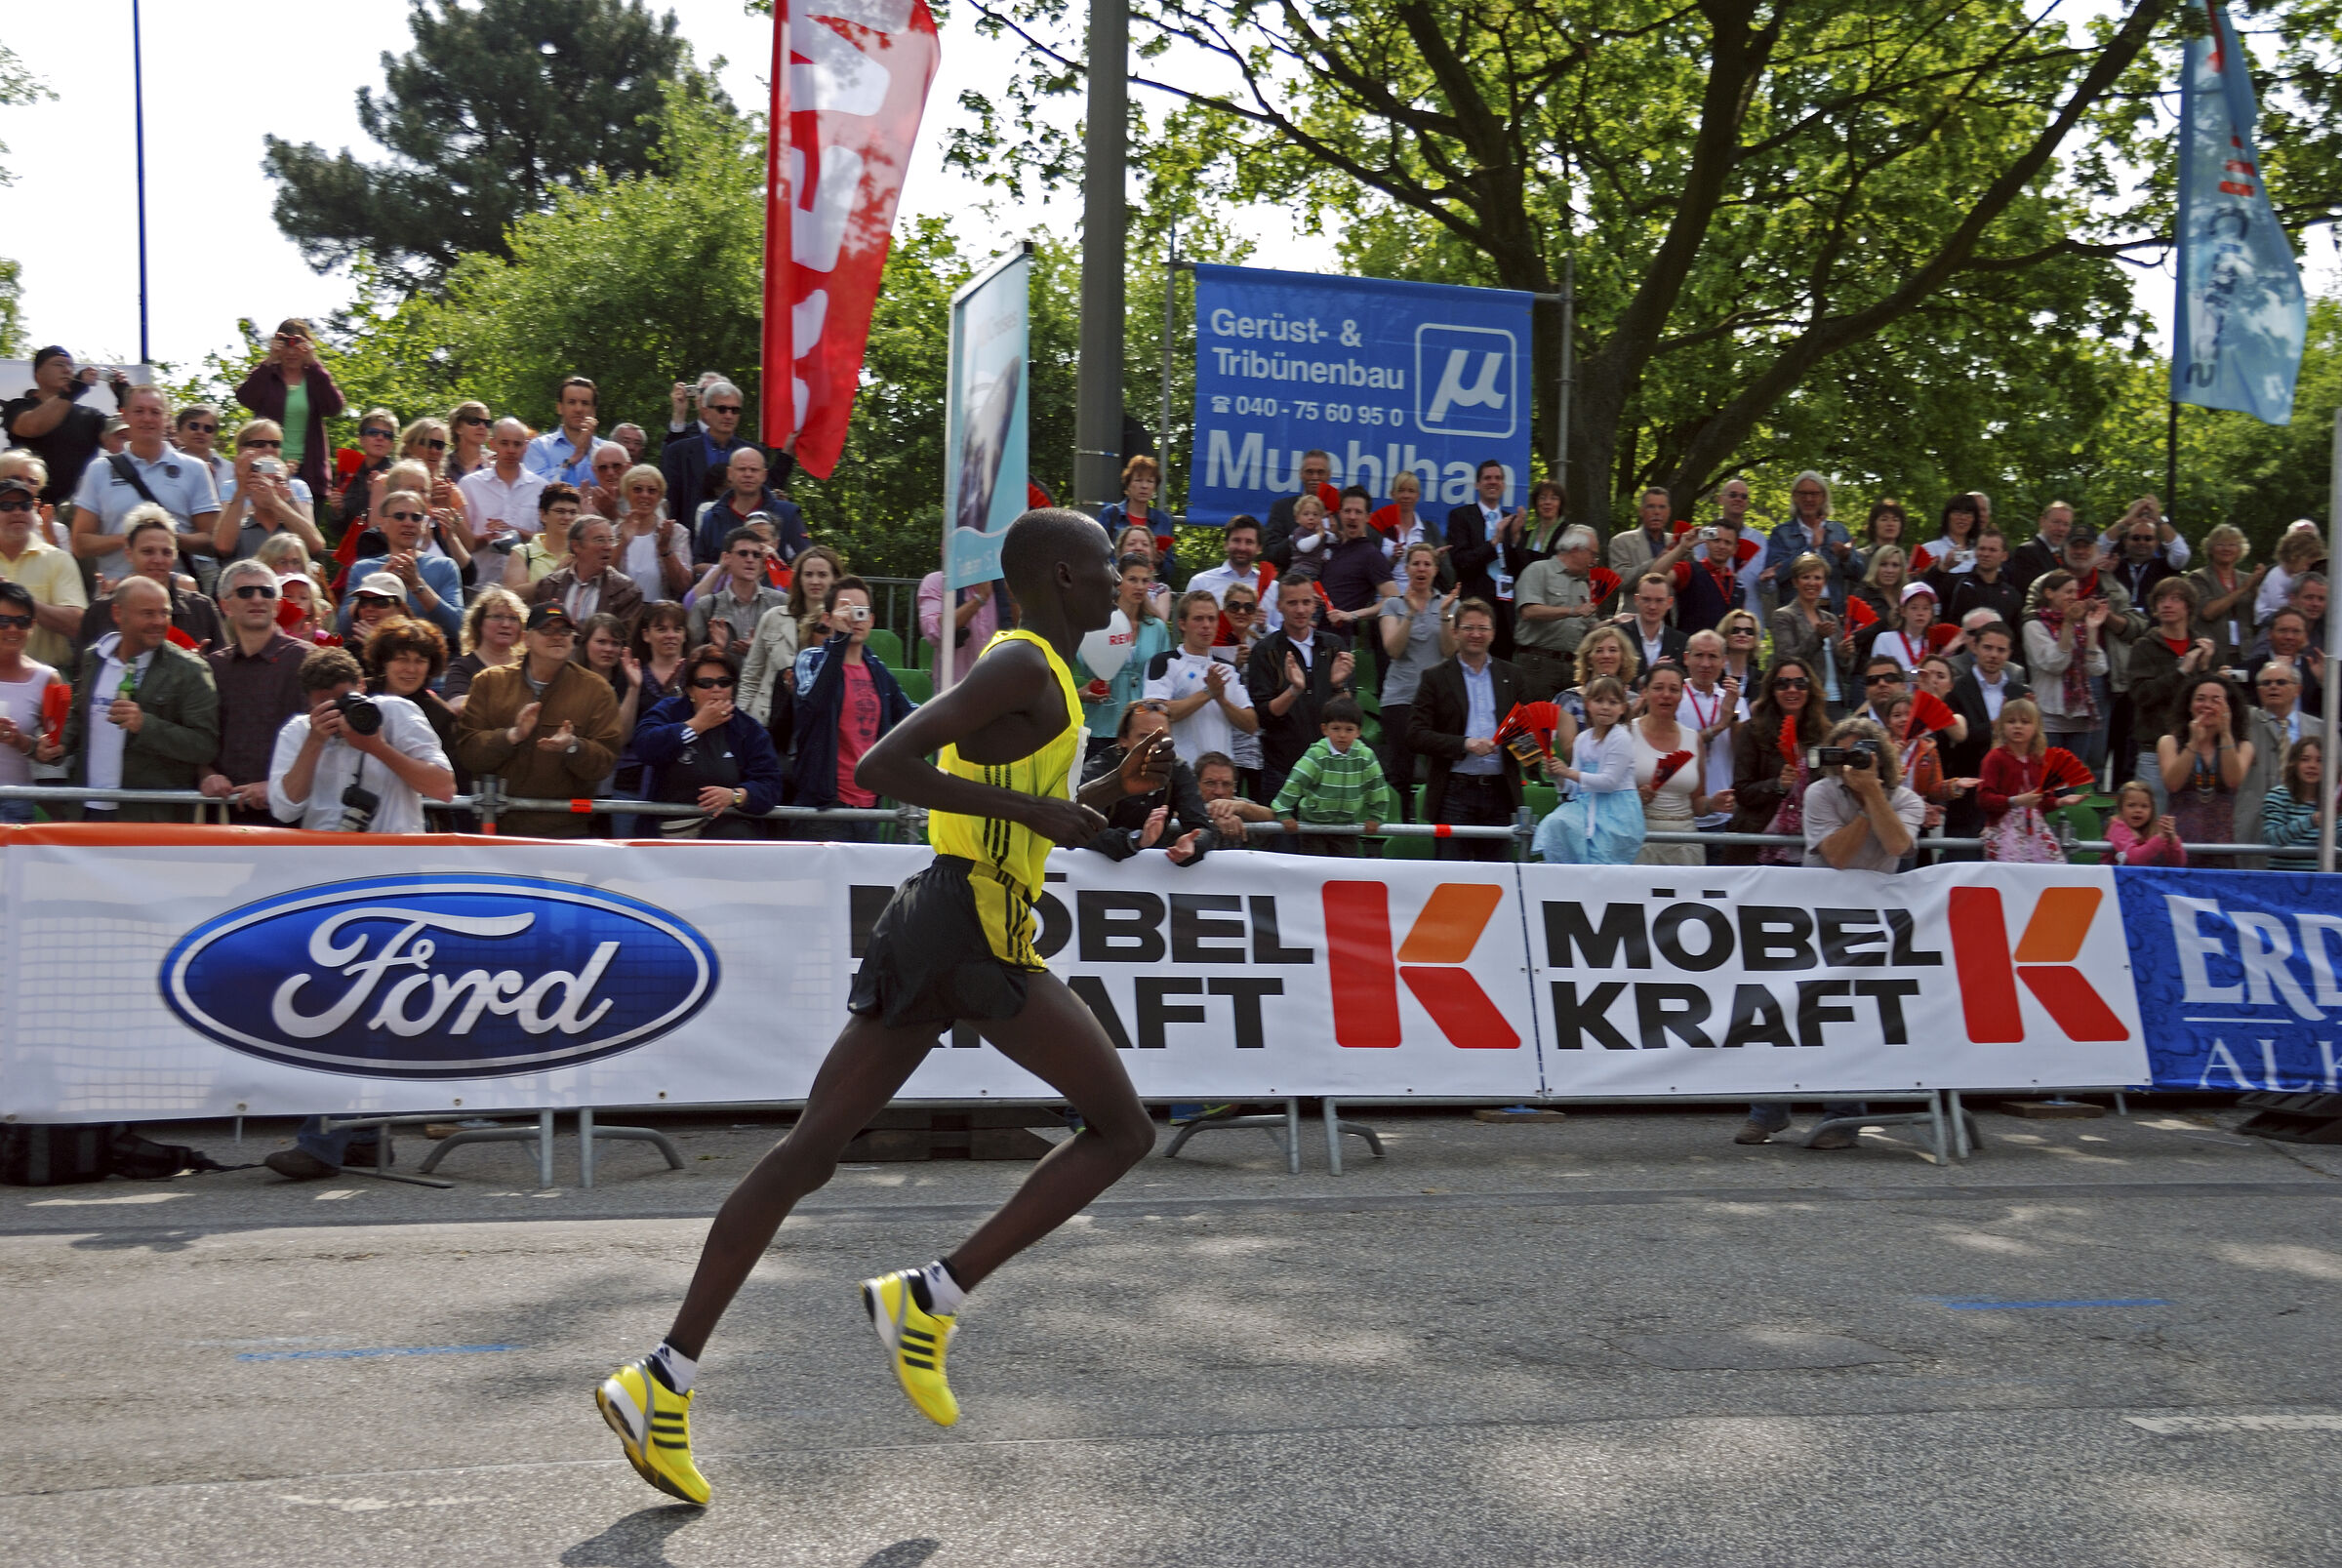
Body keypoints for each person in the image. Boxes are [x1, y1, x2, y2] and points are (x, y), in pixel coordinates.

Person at [598, 511, 1175, 1506]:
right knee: (1122, 1130)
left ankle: (663, 1375)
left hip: (949, 918)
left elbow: (1016, 797)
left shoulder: (1039, 670)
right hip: (968, 924)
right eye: (1108, 568)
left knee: (810, 1151)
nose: (1124, 584)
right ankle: (928, 1297)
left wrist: (1109, 787)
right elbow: (884, 768)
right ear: (1063, 575)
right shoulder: (1022, 663)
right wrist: (1035, 811)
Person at [1733, 714, 1913, 1149]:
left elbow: (1898, 845)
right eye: (1843, 755)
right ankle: (1768, 1112)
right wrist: (1866, 805)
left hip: (1871, 927)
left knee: (1849, 1021)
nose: (1850, 765)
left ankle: (1843, 1120)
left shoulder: (1907, 799)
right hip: (1812, 920)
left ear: (1879, 758)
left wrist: (1872, 793)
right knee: (1785, 1013)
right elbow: (1837, 855)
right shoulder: (1819, 792)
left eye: (1860, 755)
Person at [451, 603, 625, 837]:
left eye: (564, 631)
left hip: (566, 831)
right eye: (546, 630)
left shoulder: (597, 690)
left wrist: (573, 746)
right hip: (496, 827)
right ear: (526, 639)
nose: (557, 637)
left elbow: (605, 761)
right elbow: (468, 752)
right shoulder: (489, 682)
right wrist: (512, 736)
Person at [61, 577, 220, 822]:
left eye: (164, 613)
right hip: (86, 810)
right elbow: (80, 717)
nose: (159, 622)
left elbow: (205, 747)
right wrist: (54, 746)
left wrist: (145, 725)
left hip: (149, 818)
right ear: (118, 613)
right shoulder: (94, 657)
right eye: (148, 613)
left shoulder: (190, 670)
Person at [787, 577, 919, 839]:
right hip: (825, 809)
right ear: (827, 618)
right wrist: (838, 642)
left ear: (871, 620)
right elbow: (811, 704)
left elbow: (910, 714)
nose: (855, 618)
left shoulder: (876, 668)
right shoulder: (810, 658)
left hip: (869, 808)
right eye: (847, 610)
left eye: (862, 611)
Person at [196, 560, 312, 824]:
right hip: (224, 815)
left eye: (266, 592)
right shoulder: (212, 667)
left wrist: (277, 786)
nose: (257, 599)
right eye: (246, 592)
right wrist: (206, 774)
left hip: (292, 818)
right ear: (225, 605)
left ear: (278, 605)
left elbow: (330, 739)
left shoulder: (308, 660)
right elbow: (196, 736)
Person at [67, 385, 221, 582]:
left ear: (167, 418)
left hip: (175, 590)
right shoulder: (100, 469)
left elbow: (211, 542)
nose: (147, 418)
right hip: (116, 588)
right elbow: (80, 544)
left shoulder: (195, 469)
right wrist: (131, 538)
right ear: (124, 416)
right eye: (139, 411)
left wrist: (165, 538)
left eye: (155, 412)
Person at [1407, 598, 1521, 862]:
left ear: (1493, 633)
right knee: (1451, 876)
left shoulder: (1512, 675)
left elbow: (1524, 730)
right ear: (1455, 632)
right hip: (1453, 792)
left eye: (1483, 628)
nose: (1476, 634)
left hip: (1500, 793)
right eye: (1469, 628)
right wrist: (1464, 744)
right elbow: (1415, 735)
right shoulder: (1435, 677)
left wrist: (1531, 747)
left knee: (1497, 877)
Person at [632, 644, 787, 838]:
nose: (716, 689)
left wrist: (736, 796)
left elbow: (770, 785)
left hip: (725, 830)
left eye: (724, 682)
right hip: (668, 831)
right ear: (690, 690)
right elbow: (645, 747)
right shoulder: (669, 711)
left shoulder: (748, 729)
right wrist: (696, 725)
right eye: (706, 683)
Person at [1245, 574, 1353, 802]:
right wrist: (1293, 690)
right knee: (1280, 826)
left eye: (1306, 602)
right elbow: (1263, 715)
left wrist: (1338, 685)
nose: (1300, 609)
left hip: (1329, 765)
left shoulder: (1334, 646)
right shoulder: (1265, 651)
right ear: (1279, 606)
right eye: (1292, 603)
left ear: (1315, 604)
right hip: (1283, 766)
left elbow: (1349, 712)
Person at [1372, 543, 1455, 816]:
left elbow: (1450, 652)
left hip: (1439, 698)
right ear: (1406, 569)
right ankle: (1402, 826)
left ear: (1435, 569)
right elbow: (1393, 650)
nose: (1421, 569)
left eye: (1427, 564)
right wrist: (1409, 613)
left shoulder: (1449, 604)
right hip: (1401, 697)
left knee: (1439, 769)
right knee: (1401, 771)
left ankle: (1435, 826)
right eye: (1416, 564)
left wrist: (1445, 616)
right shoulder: (1392, 605)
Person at [1082, 701, 1217, 861]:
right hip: (1096, 865)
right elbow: (1084, 829)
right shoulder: (1099, 769)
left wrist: (1193, 844)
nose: (1154, 745)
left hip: (1153, 868)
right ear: (1123, 740)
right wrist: (1136, 839)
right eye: (1144, 737)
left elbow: (1202, 828)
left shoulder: (1178, 768)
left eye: (1163, 738)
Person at [76, 511, 225, 653]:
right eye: (148, 551)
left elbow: (222, 663)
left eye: (166, 552)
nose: (158, 560)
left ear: (175, 555)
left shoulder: (201, 608)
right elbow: (84, 666)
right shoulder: (101, 611)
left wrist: (200, 664)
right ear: (129, 554)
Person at [3, 347, 133, 507]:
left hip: (75, 510)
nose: (67, 370)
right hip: (24, 507)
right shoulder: (18, 407)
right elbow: (32, 426)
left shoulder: (89, 416)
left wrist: (124, 396)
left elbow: (118, 443)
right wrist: (74, 389)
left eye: (70, 366)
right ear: (38, 374)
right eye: (59, 364)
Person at [1144, 589, 1259, 766]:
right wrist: (1208, 692)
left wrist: (1222, 700)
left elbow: (1251, 725)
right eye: (1198, 619)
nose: (1206, 625)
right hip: (1180, 770)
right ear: (1182, 624)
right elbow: (1155, 715)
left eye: (1212, 619)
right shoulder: (1165, 662)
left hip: (1220, 772)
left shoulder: (1228, 668)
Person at [1533, 674, 1640, 864]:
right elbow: (1574, 788)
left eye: (1613, 702)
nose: (1605, 707)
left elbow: (1608, 782)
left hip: (1616, 811)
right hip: (1584, 806)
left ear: (1622, 708)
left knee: (1603, 863)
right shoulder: (1582, 739)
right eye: (1599, 701)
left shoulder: (1621, 737)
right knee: (1556, 823)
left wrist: (1567, 772)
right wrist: (1558, 775)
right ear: (1588, 704)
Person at [230, 320, 344, 498]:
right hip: (267, 467)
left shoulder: (314, 378)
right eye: (285, 345)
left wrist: (314, 364)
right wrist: (269, 361)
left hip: (309, 470)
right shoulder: (267, 374)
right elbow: (245, 398)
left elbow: (334, 407)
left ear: (307, 347)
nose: (291, 352)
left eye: (297, 346)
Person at [1723, 657, 1819, 866]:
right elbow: (1742, 790)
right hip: (1759, 844)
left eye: (1800, 683)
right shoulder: (1753, 731)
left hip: (1810, 844)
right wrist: (1778, 785)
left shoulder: (1825, 734)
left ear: (1810, 689)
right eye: (1782, 684)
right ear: (1772, 690)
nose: (1792, 689)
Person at [1272, 695, 1394, 855]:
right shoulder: (1316, 754)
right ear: (1325, 729)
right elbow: (1296, 782)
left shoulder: (1366, 756)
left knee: (1344, 867)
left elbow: (1377, 787)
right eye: (1336, 728)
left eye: (1349, 729)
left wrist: (1376, 816)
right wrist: (1283, 811)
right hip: (1312, 825)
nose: (1342, 735)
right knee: (1315, 866)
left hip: (1347, 826)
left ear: (1358, 731)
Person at [1075, 555, 1173, 751]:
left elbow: (1164, 677)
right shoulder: (1097, 623)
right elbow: (1082, 669)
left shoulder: (1157, 628)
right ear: (1118, 582)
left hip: (1142, 730)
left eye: (1145, 581)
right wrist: (1082, 693)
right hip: (1099, 726)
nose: (1140, 586)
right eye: (1133, 579)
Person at [2023, 570, 2112, 784]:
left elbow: (2098, 668)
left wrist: (2092, 630)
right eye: (2068, 591)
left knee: (2071, 783)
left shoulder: (2081, 628)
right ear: (2049, 593)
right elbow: (2055, 664)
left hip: (2079, 718)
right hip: (2048, 716)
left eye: (2076, 592)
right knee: (2048, 782)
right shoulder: (2034, 626)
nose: (2074, 597)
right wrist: (2068, 625)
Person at [1628, 661, 1720, 865]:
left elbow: (1697, 803)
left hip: (1685, 844)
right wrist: (1635, 799)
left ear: (1682, 695)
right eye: (1658, 688)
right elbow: (1609, 793)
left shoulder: (1693, 739)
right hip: (1638, 840)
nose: (1666, 695)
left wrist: (1712, 804)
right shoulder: (1626, 733)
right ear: (1645, 692)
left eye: (1674, 689)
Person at [343, 491, 464, 642]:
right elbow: (343, 627)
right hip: (370, 653)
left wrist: (417, 585)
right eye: (400, 516)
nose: (409, 523)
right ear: (383, 524)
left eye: (416, 517)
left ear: (423, 524)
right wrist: (376, 584)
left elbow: (458, 627)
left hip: (428, 652)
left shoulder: (444, 566)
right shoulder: (362, 569)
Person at [743, 547, 841, 726]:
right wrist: (741, 721)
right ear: (799, 579)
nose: (815, 581)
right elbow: (751, 676)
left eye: (822, 575)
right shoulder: (773, 617)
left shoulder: (841, 625)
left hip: (818, 724)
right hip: (769, 720)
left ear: (835, 579)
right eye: (808, 574)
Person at [2157, 674, 2255, 853]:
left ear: (2229, 708)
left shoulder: (2243, 746)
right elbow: (2172, 784)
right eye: (2200, 699)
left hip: (2222, 844)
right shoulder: (2169, 742)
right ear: (2189, 705)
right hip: (2178, 843)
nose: (2207, 705)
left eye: (2216, 700)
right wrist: (2194, 742)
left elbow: (2233, 781)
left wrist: (2225, 733)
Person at [0, 474, 88, 668]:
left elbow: (77, 625)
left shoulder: (58, 559)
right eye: (6, 506)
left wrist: (21, 600)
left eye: (25, 505)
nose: (17, 512)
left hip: (48, 676)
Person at [1512, 524, 1607, 701]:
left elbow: (1590, 627)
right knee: (1538, 716)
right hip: (1538, 664)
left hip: (1574, 666)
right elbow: (1529, 611)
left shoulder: (1584, 585)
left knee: (1570, 717)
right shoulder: (1538, 570)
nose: (1594, 561)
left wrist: (1613, 623)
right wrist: (1572, 610)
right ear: (1576, 549)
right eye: (1592, 554)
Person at [211, 419, 326, 565]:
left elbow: (315, 545)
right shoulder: (232, 486)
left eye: (275, 444)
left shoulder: (295, 485)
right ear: (241, 449)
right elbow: (223, 546)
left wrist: (279, 499)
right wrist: (244, 489)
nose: (269, 449)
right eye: (260, 444)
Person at [0, 582, 65, 822]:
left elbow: (56, 749)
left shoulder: (47, 678)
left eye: (22, 621)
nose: (13, 629)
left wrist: (20, 740)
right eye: (3, 621)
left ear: (33, 626)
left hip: (16, 800)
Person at [458, 418, 547, 581]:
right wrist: (486, 538)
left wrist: (518, 533)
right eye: (504, 443)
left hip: (525, 585)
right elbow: (461, 541)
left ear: (526, 447)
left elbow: (550, 539)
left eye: (517, 444)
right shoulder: (469, 485)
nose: (511, 450)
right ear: (492, 444)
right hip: (480, 583)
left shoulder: (541, 488)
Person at [1444, 460, 1518, 649]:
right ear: (1477, 484)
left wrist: (1516, 540)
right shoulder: (1461, 516)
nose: (1493, 482)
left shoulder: (1512, 521)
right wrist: (1494, 542)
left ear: (1503, 485)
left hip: (1505, 609)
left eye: (1498, 478)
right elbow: (1461, 561)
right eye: (1487, 478)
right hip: (1473, 605)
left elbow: (1519, 569)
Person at [528, 517, 643, 636]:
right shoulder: (549, 585)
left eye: (611, 540)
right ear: (576, 546)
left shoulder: (627, 591)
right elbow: (536, 632)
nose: (608, 547)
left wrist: (569, 628)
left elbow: (622, 639)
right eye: (600, 540)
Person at [1680, 629, 1745, 840]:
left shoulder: (1734, 699)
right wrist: (1720, 726)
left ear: (1724, 661)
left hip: (1725, 813)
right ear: (1686, 658)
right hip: (1682, 814)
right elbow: (1677, 749)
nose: (1705, 664)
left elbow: (1743, 753)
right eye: (1699, 655)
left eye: (1713, 656)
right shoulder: (1673, 696)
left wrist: (1732, 719)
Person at [693, 447, 805, 566]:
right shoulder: (712, 517)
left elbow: (804, 560)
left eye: (754, 470)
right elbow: (697, 564)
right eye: (742, 469)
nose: (748, 474)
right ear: (729, 474)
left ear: (764, 475)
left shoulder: (788, 513)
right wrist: (727, 569)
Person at [1318, 487, 1400, 650]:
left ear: (1368, 517)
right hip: (1311, 633)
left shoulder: (1371, 555)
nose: (1352, 517)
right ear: (1340, 513)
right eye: (1347, 511)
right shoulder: (1331, 545)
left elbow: (1393, 599)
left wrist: (1353, 615)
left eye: (1358, 512)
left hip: (1337, 642)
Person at [1768, 553, 1849, 716]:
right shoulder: (1783, 616)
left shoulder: (1830, 618)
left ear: (1824, 582)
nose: (1812, 583)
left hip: (1837, 700)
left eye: (1817, 578)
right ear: (1795, 582)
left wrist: (1844, 654)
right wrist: (1817, 637)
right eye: (1806, 577)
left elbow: (1844, 667)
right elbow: (1786, 659)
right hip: (1806, 701)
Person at [662, 378, 753, 517]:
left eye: (734, 410)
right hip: (691, 527)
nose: (728, 415)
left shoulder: (753, 454)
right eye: (722, 409)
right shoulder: (679, 451)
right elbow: (671, 499)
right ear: (706, 412)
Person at [691, 526, 789, 654]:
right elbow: (692, 655)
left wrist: (759, 650)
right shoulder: (706, 606)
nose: (750, 559)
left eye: (756, 555)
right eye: (743, 553)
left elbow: (791, 653)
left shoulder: (781, 603)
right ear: (727, 558)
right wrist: (717, 650)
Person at [1760, 472, 1852, 606]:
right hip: (1795, 613)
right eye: (1803, 493)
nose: (1808, 499)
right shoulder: (1781, 533)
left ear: (1823, 497)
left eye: (1814, 494)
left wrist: (1846, 558)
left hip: (1834, 611)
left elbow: (1861, 575)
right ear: (1794, 496)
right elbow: (1777, 574)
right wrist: (1810, 548)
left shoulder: (1839, 531)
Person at [1187, 515, 1281, 630]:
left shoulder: (1272, 588)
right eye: (1236, 540)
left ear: (1259, 548)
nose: (1242, 547)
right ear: (1226, 544)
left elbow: (1283, 635)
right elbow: (1189, 629)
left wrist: (1264, 627)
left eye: (1249, 542)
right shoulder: (1201, 583)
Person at [613, 464, 693, 599]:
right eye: (637, 489)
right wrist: (622, 543)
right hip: (621, 610)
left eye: (652, 491)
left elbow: (683, 585)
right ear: (626, 493)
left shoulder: (676, 532)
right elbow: (601, 580)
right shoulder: (612, 532)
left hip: (661, 610)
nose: (645, 495)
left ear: (660, 496)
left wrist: (665, 550)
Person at [1556, 623, 1640, 747]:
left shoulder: (1634, 701)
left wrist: (1631, 713)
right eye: (1599, 650)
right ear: (1589, 659)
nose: (1606, 655)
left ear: (1623, 658)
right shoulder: (1568, 699)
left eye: (1613, 650)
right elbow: (1568, 752)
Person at [443, 586, 528, 708]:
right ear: (479, 623)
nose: (506, 624)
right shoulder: (463, 667)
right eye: (497, 617)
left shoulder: (528, 665)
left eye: (513, 618)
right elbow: (455, 704)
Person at [1096, 455, 1176, 583]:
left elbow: (1169, 571)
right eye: (1138, 480)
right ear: (1128, 484)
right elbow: (1096, 555)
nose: (1144, 486)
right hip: (1115, 586)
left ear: (1155, 487)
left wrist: (1160, 563)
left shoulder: (1164, 521)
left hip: (1148, 588)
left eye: (1150, 481)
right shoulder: (1110, 514)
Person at [917, 572, 1000, 689]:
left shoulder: (1002, 585)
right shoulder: (937, 581)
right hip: (955, 690)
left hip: (1000, 687)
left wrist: (1013, 597)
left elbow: (1023, 631)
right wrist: (980, 598)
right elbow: (933, 632)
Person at [1667, 518, 1748, 636]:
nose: (1721, 546)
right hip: (1689, 645)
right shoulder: (1689, 570)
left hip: (1723, 647)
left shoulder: (1738, 586)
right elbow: (1656, 577)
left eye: (1727, 542)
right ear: (1707, 542)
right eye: (1716, 540)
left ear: (1735, 549)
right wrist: (1682, 548)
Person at [2258, 739, 2329, 869]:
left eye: (2320, 760)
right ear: (2294, 763)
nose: (2312, 765)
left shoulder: (2332, 801)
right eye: (2305, 759)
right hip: (2284, 877)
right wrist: (2310, 821)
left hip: (2322, 878)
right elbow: (2271, 839)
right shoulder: (2277, 796)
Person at [525, 376, 607, 485]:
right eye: (571, 402)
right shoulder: (539, 447)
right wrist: (572, 460)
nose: (578, 409)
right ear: (559, 408)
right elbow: (534, 487)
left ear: (593, 411)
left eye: (585, 403)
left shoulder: (607, 450)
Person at [1262, 449, 1336, 568]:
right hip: (1293, 577)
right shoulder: (1282, 508)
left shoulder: (1340, 511)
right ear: (1301, 474)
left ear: (1329, 475)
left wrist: (1337, 534)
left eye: (1320, 472)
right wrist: (1298, 535)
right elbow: (1270, 554)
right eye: (1309, 472)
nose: (1315, 477)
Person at [1194, 748, 1276, 846]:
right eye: (1210, 783)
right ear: (1196, 784)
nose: (1219, 791)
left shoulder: (1239, 804)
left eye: (1226, 784)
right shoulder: (1184, 801)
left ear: (1235, 786)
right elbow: (1180, 812)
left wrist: (1244, 808)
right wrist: (1214, 813)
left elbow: (1275, 816)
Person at [1944, 531, 2022, 628]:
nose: (1985, 554)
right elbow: (1930, 589)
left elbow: (2015, 633)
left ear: (2004, 556)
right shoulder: (1956, 583)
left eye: (1992, 550)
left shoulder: (2012, 595)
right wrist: (1944, 566)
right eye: (1982, 548)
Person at [2106, 779, 2188, 866]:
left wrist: (2172, 839)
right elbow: (2135, 859)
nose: (2138, 810)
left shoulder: (2156, 829)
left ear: (2152, 810)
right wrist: (2160, 837)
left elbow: (2178, 864)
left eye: (2144, 806)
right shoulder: (2117, 827)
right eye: (2131, 805)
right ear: (2121, 808)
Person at [1618, 572, 1689, 670]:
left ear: (1670, 603)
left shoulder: (1681, 642)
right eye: (1646, 599)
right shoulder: (1619, 636)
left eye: (1659, 600)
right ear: (1636, 600)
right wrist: (1651, 673)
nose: (1652, 606)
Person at [2008, 500, 2076, 598]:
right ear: (2042, 521)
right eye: (2056, 522)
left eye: (2066, 524)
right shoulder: (2026, 552)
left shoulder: (2066, 555)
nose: (2061, 528)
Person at [1912, 492, 1984, 579]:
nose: (1963, 518)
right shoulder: (1927, 549)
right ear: (1947, 516)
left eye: (1968, 513)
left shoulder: (1982, 552)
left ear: (1974, 519)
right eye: (1957, 512)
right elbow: (1914, 583)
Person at [446, 400, 494, 478]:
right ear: (458, 428)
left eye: (487, 423)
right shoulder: (444, 465)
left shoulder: (495, 462)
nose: (482, 427)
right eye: (474, 421)